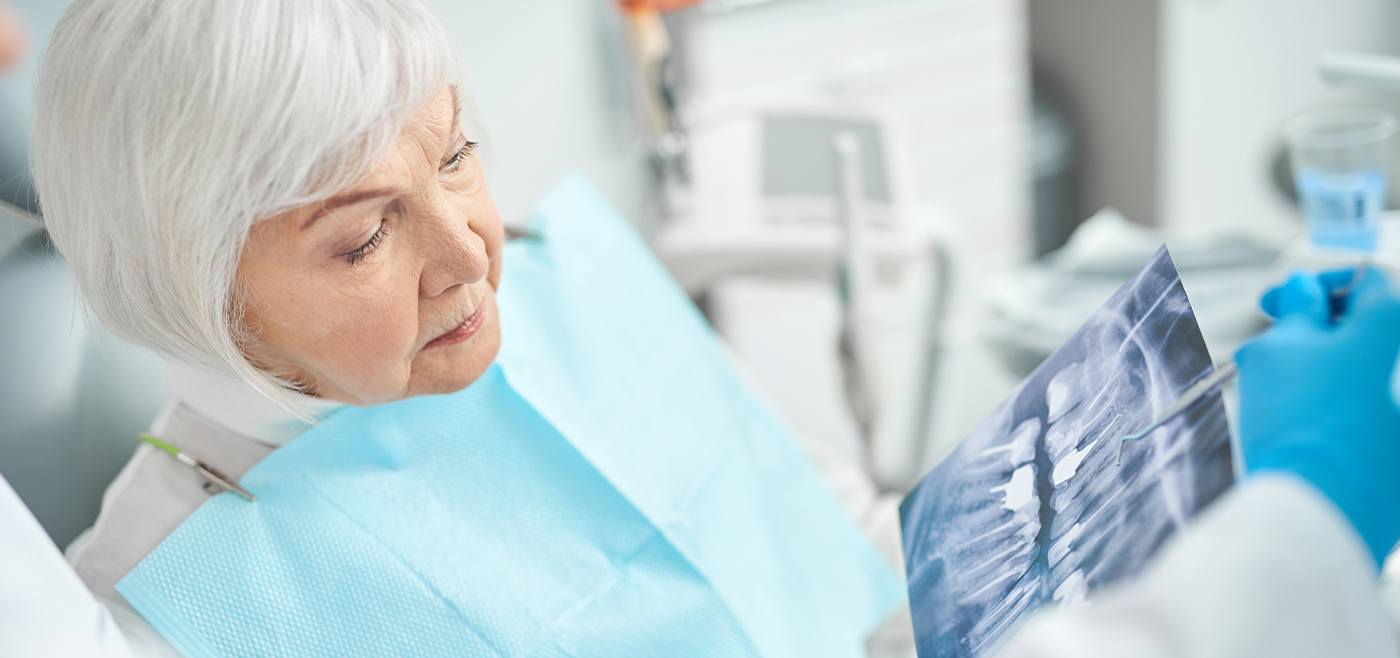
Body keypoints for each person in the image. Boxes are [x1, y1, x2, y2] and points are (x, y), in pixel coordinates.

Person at [1, 1, 1397, 656]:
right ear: (191, 284)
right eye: (363, 235)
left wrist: (1132, 472)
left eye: (459, 155)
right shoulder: (159, 609)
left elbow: (832, 544)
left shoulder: (563, 286)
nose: (465, 251)